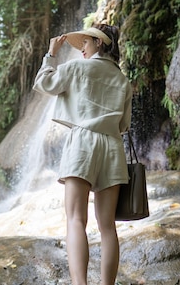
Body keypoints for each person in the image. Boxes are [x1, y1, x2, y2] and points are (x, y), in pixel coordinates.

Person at [33, 23, 132, 285]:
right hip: (112, 146)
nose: (82, 51)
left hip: (83, 144)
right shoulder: (123, 81)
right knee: (108, 226)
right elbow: (124, 125)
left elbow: (44, 83)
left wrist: (51, 54)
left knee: (76, 219)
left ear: (98, 43)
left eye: (85, 44)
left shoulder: (77, 68)